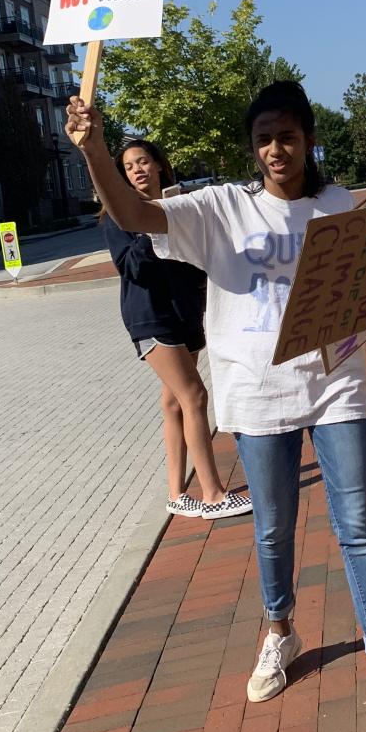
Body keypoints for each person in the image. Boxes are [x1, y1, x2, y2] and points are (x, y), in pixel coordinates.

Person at [65, 81, 366, 732]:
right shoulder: (218, 209)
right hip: (255, 392)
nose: (276, 148)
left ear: (308, 140)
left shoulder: (336, 205)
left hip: (335, 384)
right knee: (273, 527)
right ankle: (279, 630)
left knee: (358, 526)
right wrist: (95, 150)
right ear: (252, 146)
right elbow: (131, 214)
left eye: (288, 136)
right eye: (264, 138)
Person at [104, 139, 252, 520]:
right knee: (194, 396)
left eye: (143, 162)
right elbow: (132, 268)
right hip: (150, 316)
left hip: (184, 314)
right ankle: (214, 494)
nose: (137, 170)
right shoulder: (117, 217)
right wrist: (150, 229)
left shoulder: (181, 208)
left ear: (159, 167)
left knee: (172, 401)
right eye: (129, 166)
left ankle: (175, 494)